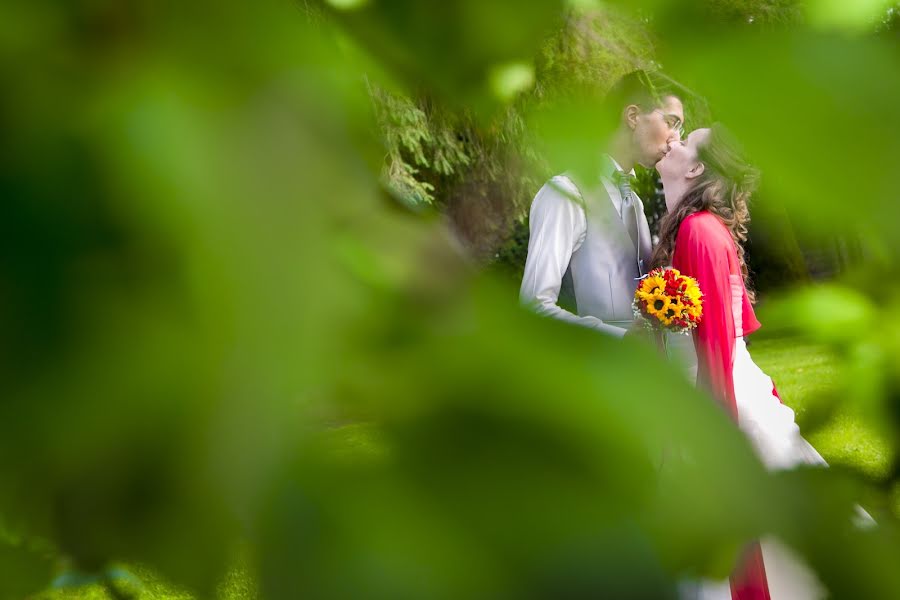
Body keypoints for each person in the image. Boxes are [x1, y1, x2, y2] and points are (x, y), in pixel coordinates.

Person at [653, 124, 832, 600]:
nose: (672, 141)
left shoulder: (698, 232)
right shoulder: (701, 228)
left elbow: (715, 345)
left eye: (684, 140)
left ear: (695, 168)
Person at [520, 70, 684, 337]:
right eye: (671, 122)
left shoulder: (636, 204)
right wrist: (621, 340)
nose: (675, 138)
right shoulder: (565, 193)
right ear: (633, 116)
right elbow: (535, 307)